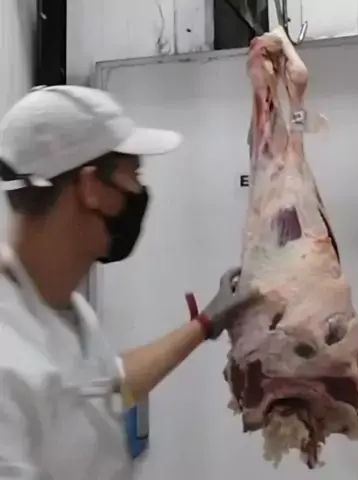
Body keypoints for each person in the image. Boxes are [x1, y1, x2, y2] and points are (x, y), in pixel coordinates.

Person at [0, 85, 261, 479]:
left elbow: (107, 385)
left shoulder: (65, 311)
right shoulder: (8, 362)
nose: (139, 193)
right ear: (91, 187)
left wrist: (205, 322)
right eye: (133, 175)